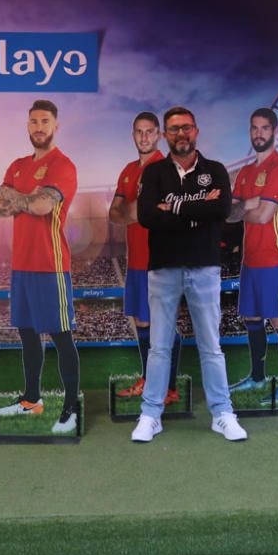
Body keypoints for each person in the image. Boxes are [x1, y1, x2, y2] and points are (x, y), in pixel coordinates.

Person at [131, 106, 247, 442]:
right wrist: (197, 210)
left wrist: (175, 207)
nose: (180, 134)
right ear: (165, 135)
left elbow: (221, 209)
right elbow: (147, 216)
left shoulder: (216, 170)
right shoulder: (153, 173)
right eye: (173, 129)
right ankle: (151, 415)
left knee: (211, 346)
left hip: (204, 266)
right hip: (164, 268)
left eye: (186, 128)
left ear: (195, 131)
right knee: (159, 348)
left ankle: (222, 413)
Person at [0, 99, 81, 433]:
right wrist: (24, 199)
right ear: (27, 125)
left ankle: (71, 407)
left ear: (56, 125)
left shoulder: (63, 165)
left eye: (44, 121)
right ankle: (31, 399)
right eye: (33, 121)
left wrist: (19, 199)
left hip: (51, 264)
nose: (38, 127)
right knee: (28, 335)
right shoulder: (17, 165)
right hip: (21, 265)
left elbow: (43, 206)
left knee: (60, 336)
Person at [108, 112, 182, 405]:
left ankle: (170, 387)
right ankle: (150, 379)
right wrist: (136, 209)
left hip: (161, 260)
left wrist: (131, 210)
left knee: (163, 325)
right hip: (136, 260)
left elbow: (136, 212)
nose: (144, 137)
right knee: (141, 322)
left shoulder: (167, 168)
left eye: (150, 132)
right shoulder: (127, 170)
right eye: (139, 132)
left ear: (159, 135)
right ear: (133, 134)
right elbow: (114, 215)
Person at [226, 107, 278, 405]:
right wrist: (248, 202)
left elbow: (264, 216)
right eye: (254, 128)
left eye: (264, 128)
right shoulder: (245, 172)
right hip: (250, 260)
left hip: (275, 258)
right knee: (252, 318)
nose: (259, 133)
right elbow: (230, 214)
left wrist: (246, 204)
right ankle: (257, 377)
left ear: (274, 131)